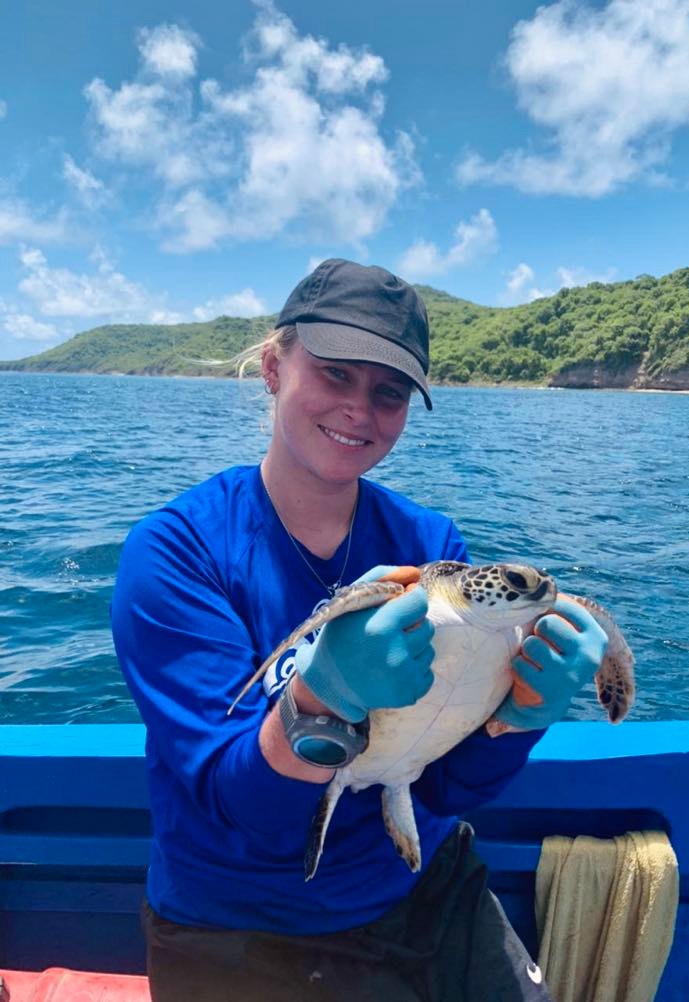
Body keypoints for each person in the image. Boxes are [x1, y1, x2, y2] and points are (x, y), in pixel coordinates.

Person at [110, 258, 608, 1002]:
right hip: (243, 932)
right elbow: (246, 816)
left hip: (425, 889)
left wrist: (519, 718)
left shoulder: (430, 538)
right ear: (275, 367)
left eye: (390, 391)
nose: (360, 409)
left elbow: (444, 786)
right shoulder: (178, 554)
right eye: (336, 373)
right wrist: (322, 698)